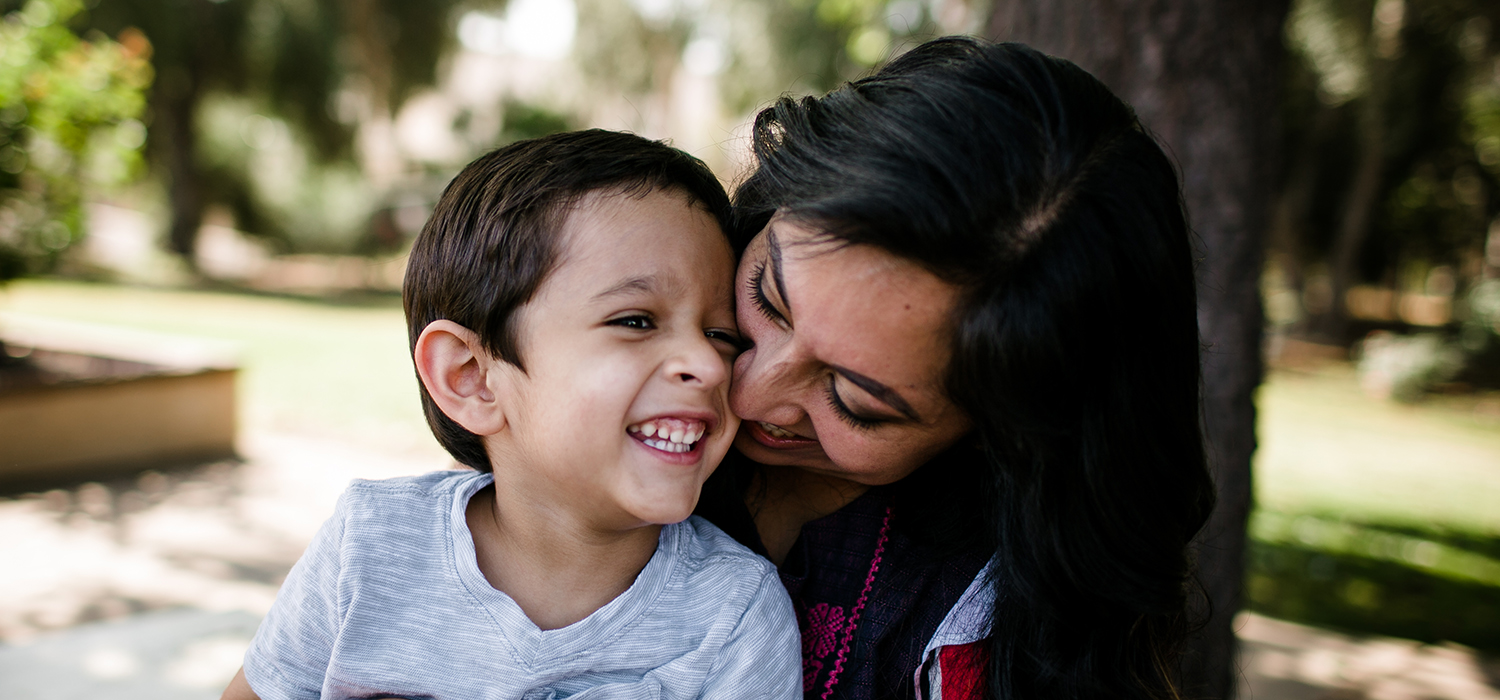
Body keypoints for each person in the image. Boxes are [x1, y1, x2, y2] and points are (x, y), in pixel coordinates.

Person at [693, 37, 1216, 700]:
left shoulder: (987, 636)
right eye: (769, 296)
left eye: (856, 401)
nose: (749, 391)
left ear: (1002, 428)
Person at [221, 129, 801, 700]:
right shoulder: (370, 546)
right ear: (471, 377)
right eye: (636, 320)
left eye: (722, 334)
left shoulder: (734, 614)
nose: (708, 362)